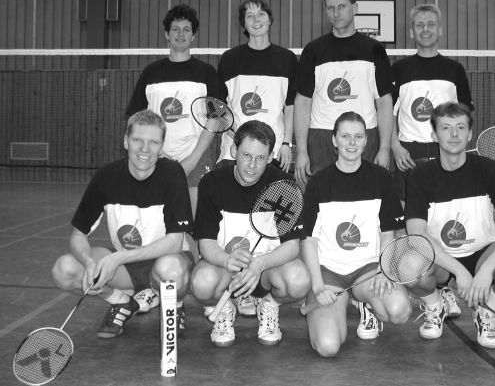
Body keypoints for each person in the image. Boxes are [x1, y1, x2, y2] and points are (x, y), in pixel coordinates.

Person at [404, 102, 495, 349]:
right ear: (434, 134)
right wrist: (459, 272)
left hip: (481, 255)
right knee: (408, 265)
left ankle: (487, 311)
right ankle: (435, 305)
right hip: (440, 260)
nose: (454, 134)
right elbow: (416, 235)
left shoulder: (488, 170)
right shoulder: (420, 175)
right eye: (446, 128)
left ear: (470, 134)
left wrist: (486, 270)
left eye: (460, 127)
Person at [51, 110, 193, 339]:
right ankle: (122, 301)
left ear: (161, 147)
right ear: (126, 141)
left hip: (167, 259)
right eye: (138, 140)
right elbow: (78, 236)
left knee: (169, 270)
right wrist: (88, 262)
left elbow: (175, 242)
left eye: (153, 142)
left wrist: (118, 258)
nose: (145, 149)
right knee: (64, 270)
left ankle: (174, 306)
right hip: (127, 268)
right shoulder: (106, 177)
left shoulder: (172, 173)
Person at [190, 120, 310, 347]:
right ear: (234, 150)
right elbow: (205, 243)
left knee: (299, 281)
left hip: (266, 271)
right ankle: (224, 308)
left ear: (271, 157)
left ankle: (269, 304)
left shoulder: (284, 185)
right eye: (246, 155)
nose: (252, 165)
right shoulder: (211, 183)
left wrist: (259, 264)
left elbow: (292, 246)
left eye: (261, 158)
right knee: (201, 283)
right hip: (226, 270)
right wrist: (227, 260)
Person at [301, 112, 410, 357]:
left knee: (399, 310)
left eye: (358, 137)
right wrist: (318, 288)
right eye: (345, 136)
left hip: (367, 271)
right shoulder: (318, 182)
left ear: (366, 140)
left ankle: (366, 304)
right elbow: (309, 240)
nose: (352, 143)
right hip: (329, 273)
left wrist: (383, 269)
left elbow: (388, 233)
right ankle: (341, 305)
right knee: (327, 346)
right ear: (334, 140)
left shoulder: (382, 178)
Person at [126, 3, 224, 222]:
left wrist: (193, 159)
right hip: (156, 157)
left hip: (196, 157)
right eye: (175, 29)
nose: (181, 34)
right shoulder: (151, 73)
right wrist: (158, 152)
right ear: (166, 34)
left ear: (193, 35)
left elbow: (216, 118)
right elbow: (135, 118)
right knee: (158, 223)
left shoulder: (206, 73)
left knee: (199, 223)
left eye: (186, 29)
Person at [294, 0, 394, 190]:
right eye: (330, 7)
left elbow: (384, 101)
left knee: (365, 197)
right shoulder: (313, 50)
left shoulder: (374, 50)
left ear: (355, 8)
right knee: (323, 199)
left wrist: (384, 148)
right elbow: (302, 102)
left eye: (341, 6)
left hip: (365, 136)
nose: (336, 13)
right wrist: (302, 151)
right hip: (321, 137)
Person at [391, 4, 474, 197]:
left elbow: (465, 116)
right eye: (419, 25)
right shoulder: (398, 69)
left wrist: (457, 147)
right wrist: (396, 147)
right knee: (407, 210)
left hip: (444, 149)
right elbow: (388, 113)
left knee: (445, 208)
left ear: (440, 29)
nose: (425, 29)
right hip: (408, 153)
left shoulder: (455, 70)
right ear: (412, 31)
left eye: (431, 24)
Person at [216, 0, 297, 176]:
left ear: (269, 19)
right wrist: (236, 135)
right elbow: (220, 109)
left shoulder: (287, 59)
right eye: (250, 15)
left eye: (261, 13)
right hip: (233, 150)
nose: (256, 19)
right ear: (244, 24)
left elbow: (290, 107)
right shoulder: (229, 59)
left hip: (274, 150)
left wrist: (286, 143)